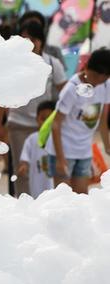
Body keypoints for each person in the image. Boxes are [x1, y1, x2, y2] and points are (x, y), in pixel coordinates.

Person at [0, 21, 67, 197]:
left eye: (33, 39)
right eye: (25, 39)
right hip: (18, 124)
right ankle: (24, 206)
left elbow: (65, 94)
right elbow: (2, 98)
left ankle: (48, 203)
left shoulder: (52, 63)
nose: (29, 43)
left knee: (47, 167)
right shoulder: (12, 65)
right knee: (22, 169)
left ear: (41, 41)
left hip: (45, 126)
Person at [46, 49, 110, 194]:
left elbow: (103, 121)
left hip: (84, 151)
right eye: (96, 76)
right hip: (63, 150)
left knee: (82, 198)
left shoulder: (106, 86)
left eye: (104, 77)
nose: (98, 81)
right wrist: (60, 159)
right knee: (64, 199)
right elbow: (56, 124)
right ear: (86, 67)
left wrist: (107, 147)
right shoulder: (72, 89)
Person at [17, 101, 55, 199]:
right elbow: (24, 157)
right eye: (43, 119)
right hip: (36, 185)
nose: (46, 123)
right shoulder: (32, 139)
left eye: (49, 120)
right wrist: (24, 166)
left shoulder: (57, 139)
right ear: (37, 119)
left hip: (53, 185)